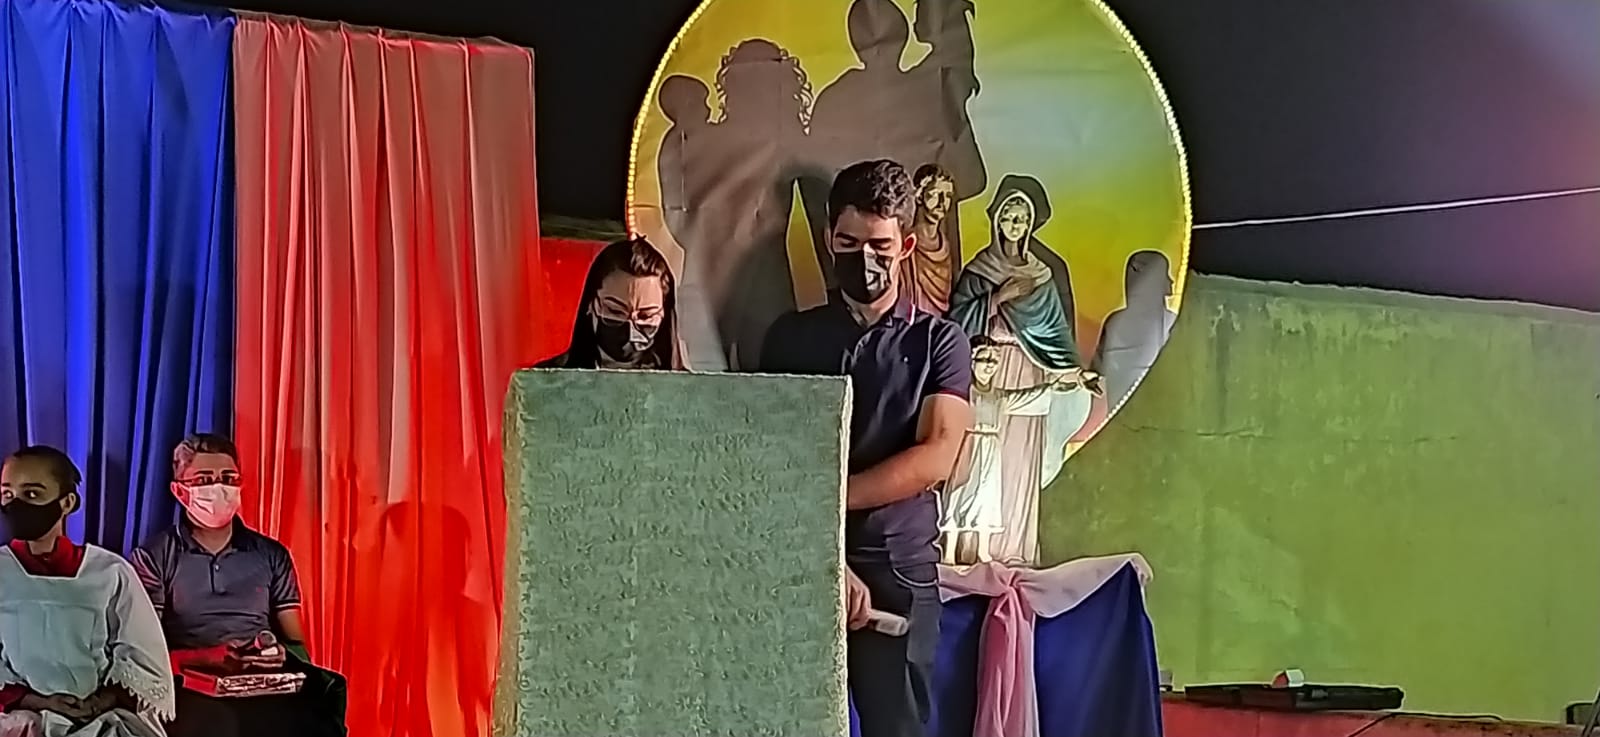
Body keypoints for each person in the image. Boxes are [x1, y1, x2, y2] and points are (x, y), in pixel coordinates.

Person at [758, 160, 972, 737]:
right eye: (849, 243)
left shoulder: (940, 342)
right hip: (798, 564)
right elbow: (766, 457)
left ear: (906, 246)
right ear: (829, 238)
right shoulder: (790, 338)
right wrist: (826, 554)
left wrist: (829, 500)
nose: (864, 258)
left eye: (879, 245)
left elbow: (938, 453)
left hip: (899, 568)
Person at [129, 435, 345, 737]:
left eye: (228, 478)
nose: (219, 487)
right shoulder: (154, 556)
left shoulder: (271, 554)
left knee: (316, 711)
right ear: (179, 491)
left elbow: (295, 642)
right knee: (219, 724)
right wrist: (207, 657)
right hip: (188, 684)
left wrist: (278, 654)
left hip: (263, 682)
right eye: (204, 479)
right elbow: (145, 650)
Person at [948, 176, 1091, 563]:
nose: (1015, 224)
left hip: (1030, 373)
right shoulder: (980, 271)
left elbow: (1056, 336)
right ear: (997, 220)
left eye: (1022, 218)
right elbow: (957, 324)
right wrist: (997, 298)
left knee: (1018, 460)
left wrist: (1074, 374)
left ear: (1030, 225)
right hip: (988, 372)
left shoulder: (1042, 275)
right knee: (981, 459)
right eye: (1009, 216)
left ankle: (1013, 549)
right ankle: (970, 549)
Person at [0, 446, 174, 737]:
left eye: (32, 494)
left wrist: (99, 702)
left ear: (67, 502)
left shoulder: (110, 571)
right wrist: (37, 701)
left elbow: (140, 652)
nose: (16, 504)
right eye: (7, 494)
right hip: (18, 717)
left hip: (103, 716)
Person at [537, 237, 684, 370]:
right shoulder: (545, 381)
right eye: (615, 311)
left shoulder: (688, 387)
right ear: (591, 304)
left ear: (664, 313)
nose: (631, 329)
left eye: (645, 315)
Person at [1092, 250, 1179, 409]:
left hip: (1122, 405)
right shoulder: (1172, 320)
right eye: (1165, 274)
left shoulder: (1114, 321)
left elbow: (1097, 366)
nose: (1171, 281)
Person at [903, 164, 960, 315]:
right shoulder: (904, 243)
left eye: (947, 196)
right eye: (935, 194)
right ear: (919, 196)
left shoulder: (945, 247)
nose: (942, 202)